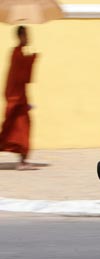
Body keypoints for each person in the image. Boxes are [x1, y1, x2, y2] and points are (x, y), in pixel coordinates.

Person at [0, 26, 38, 170]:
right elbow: (20, 77)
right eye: (26, 34)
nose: (28, 37)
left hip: (19, 97)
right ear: (20, 36)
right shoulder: (16, 54)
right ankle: (22, 162)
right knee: (20, 129)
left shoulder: (18, 53)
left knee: (15, 130)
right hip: (16, 98)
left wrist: (29, 59)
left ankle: (23, 160)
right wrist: (31, 59)